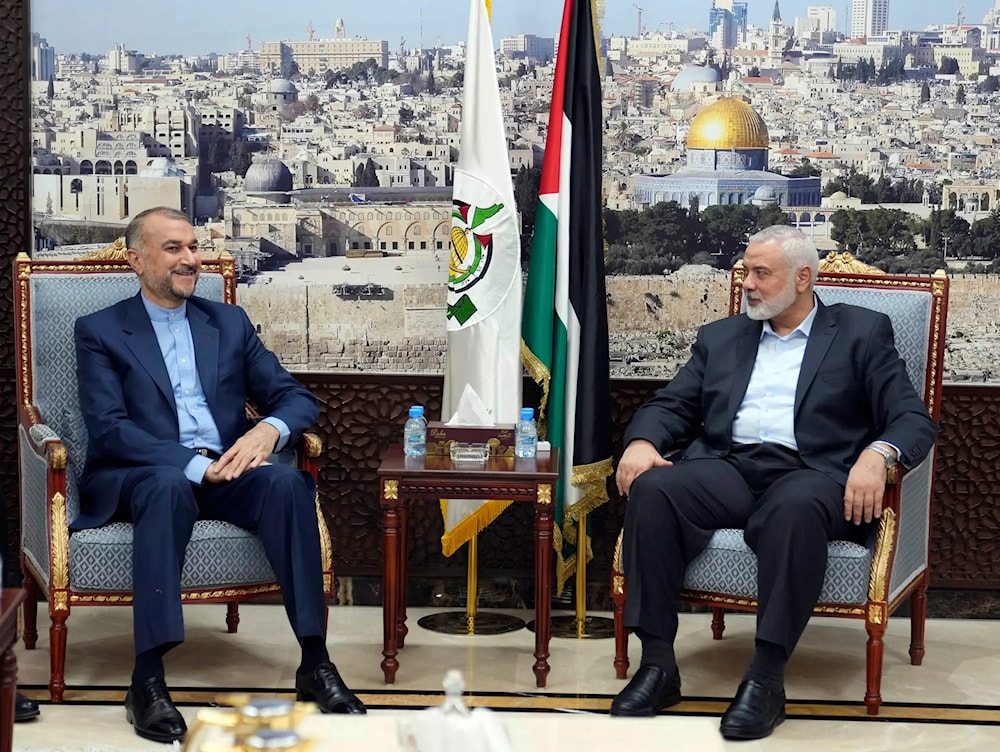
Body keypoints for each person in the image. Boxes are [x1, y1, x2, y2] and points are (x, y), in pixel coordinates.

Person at [609, 226, 937, 740]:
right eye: (745, 272)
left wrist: (878, 454)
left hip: (813, 474)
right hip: (730, 467)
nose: (748, 284)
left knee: (794, 508)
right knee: (654, 490)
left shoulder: (860, 332)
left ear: (803, 278)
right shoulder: (721, 337)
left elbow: (912, 420)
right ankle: (658, 666)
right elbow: (671, 405)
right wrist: (642, 443)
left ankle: (765, 679)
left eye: (761, 273)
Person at [73, 207, 365, 744]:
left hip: (227, 470)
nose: (191, 260)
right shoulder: (101, 330)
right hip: (148, 474)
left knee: (285, 482)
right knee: (165, 487)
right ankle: (148, 678)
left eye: (193, 246)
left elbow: (295, 396)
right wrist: (193, 465)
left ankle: (314, 662)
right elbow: (110, 430)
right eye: (174, 249)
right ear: (137, 260)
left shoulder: (226, 323)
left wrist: (267, 432)